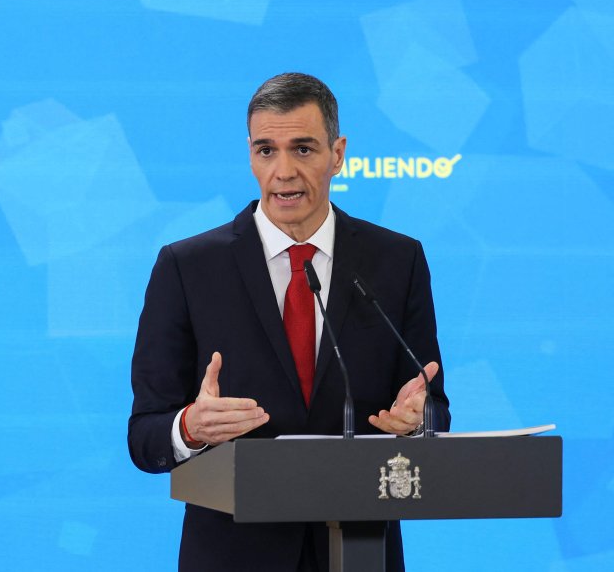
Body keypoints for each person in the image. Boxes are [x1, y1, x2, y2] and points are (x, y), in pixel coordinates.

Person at [127, 73, 450, 571]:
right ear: (250, 156)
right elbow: (145, 436)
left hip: (359, 551)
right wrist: (190, 427)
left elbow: (432, 408)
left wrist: (417, 424)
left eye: (303, 149)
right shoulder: (188, 267)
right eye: (266, 150)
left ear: (337, 153)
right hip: (232, 556)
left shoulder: (395, 261)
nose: (283, 171)